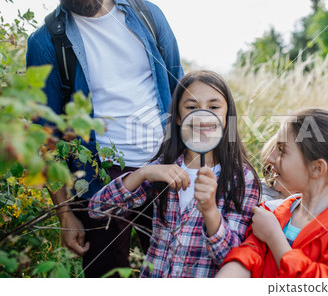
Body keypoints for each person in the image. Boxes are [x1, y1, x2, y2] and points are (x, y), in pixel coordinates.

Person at [26, 0, 183, 277]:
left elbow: (183, 90)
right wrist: (65, 214)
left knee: (177, 272)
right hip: (101, 183)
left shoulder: (148, 15)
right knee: (106, 276)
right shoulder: (46, 42)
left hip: (167, 169)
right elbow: (45, 138)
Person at [88, 70, 261, 277]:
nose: (202, 116)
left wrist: (210, 211)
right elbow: (97, 210)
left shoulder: (242, 179)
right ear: (178, 117)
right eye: (192, 107)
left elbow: (233, 261)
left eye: (213, 107)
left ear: (227, 117)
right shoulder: (162, 169)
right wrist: (142, 173)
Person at [216, 108, 328, 278]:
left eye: (282, 150)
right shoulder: (274, 213)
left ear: (317, 168)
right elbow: (247, 257)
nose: (270, 157)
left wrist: (275, 239)